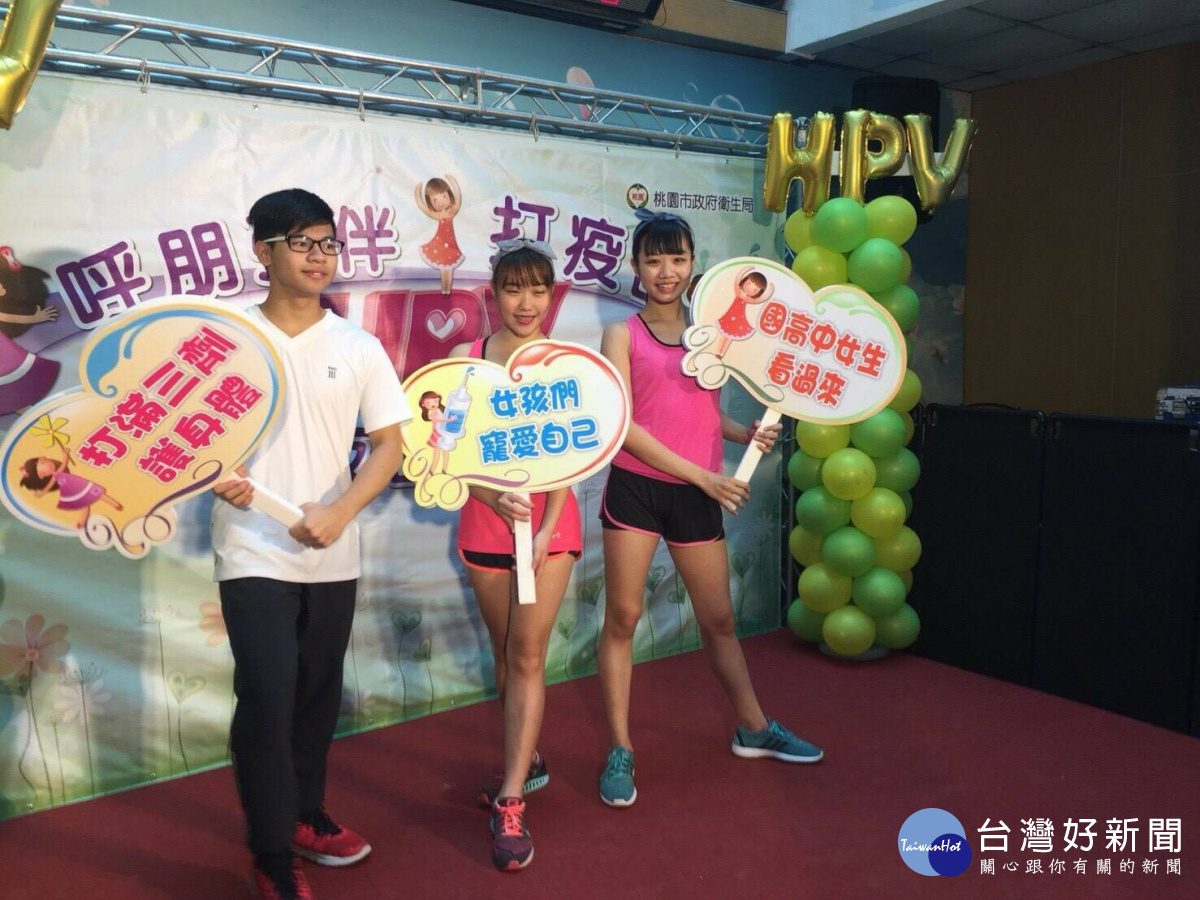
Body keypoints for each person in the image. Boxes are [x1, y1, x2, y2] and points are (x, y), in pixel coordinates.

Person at [212, 188, 410, 900]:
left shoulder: (357, 346)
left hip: (332, 551)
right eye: (301, 242)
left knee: (317, 696)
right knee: (268, 693)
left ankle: (302, 814)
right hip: (252, 547)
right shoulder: (226, 339)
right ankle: (270, 853)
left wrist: (342, 509)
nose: (319, 256)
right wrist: (213, 474)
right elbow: (189, 439)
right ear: (262, 251)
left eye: (328, 243)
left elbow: (389, 445)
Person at [595, 209, 823, 808]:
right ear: (636, 267)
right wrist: (703, 475)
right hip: (638, 489)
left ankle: (754, 728)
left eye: (677, 258)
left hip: (699, 494)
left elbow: (695, 410)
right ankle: (620, 747)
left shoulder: (714, 334)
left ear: (693, 263)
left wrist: (742, 433)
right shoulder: (622, 334)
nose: (666, 271)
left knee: (718, 620)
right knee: (622, 619)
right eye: (653, 260)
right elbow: (625, 424)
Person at [448, 238, 581, 871]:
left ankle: (510, 799)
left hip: (550, 531)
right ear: (492, 294)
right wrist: (489, 496)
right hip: (484, 525)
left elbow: (576, 456)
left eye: (538, 289)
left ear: (552, 295)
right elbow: (444, 450)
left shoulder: (570, 365)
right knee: (506, 656)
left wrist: (544, 530)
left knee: (528, 654)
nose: (526, 302)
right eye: (513, 288)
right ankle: (526, 759)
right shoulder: (464, 361)